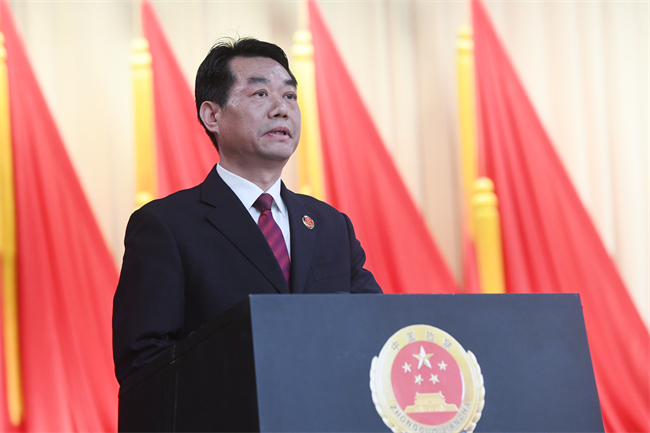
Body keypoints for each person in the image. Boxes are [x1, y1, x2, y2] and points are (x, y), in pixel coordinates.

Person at [112, 38, 382, 384]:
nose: (281, 109)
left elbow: (376, 327)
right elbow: (145, 363)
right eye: (260, 94)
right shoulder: (166, 227)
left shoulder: (331, 226)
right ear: (212, 115)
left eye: (290, 96)